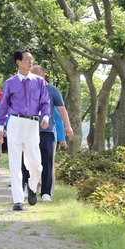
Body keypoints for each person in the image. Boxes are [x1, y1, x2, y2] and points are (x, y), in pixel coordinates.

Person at [0, 49, 50, 211]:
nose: (30, 61)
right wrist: (0, 127)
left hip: (33, 123)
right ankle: (18, 199)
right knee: (15, 162)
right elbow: (3, 106)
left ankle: (32, 187)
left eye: (31, 59)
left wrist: (46, 117)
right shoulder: (10, 82)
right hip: (15, 123)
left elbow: (45, 102)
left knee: (35, 163)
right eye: (27, 59)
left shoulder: (39, 82)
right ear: (18, 62)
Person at [21, 65, 74, 202]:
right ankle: (29, 188)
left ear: (44, 76)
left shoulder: (52, 90)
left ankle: (46, 193)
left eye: (36, 75)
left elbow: (62, 110)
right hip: (29, 131)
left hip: (47, 132)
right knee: (28, 162)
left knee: (47, 162)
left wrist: (67, 127)